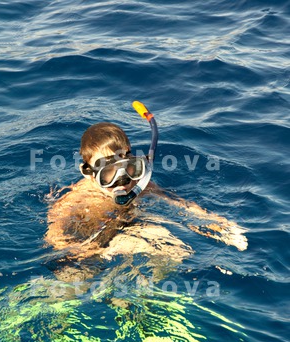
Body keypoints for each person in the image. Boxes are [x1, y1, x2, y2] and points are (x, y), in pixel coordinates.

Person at [45, 102, 247, 284]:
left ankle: (150, 298)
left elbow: (181, 205)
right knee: (74, 281)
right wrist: (80, 249)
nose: (122, 182)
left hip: (129, 231)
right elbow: (54, 232)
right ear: (89, 173)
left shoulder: (141, 186)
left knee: (175, 251)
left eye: (129, 169)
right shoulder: (78, 197)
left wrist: (219, 225)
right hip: (87, 247)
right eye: (109, 175)